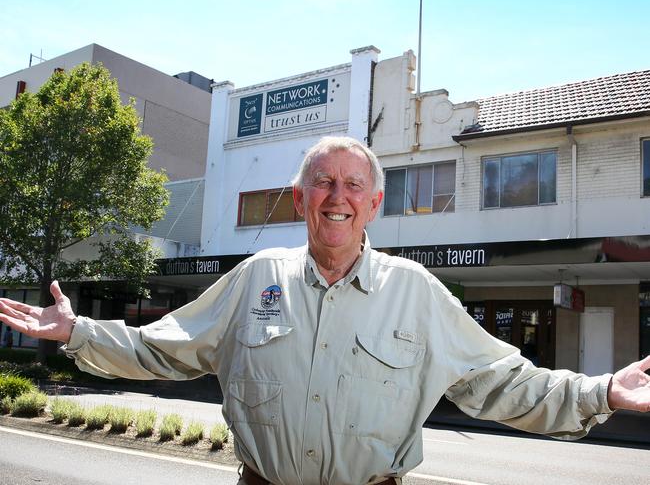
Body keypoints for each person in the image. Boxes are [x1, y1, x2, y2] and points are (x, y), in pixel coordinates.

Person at [0, 136, 648, 485]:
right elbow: (157, 349)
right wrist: (78, 330)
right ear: (299, 198)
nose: (337, 196)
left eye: (353, 184)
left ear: (374, 203)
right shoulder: (255, 279)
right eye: (323, 182)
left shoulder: (416, 293)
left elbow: (504, 385)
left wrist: (604, 392)